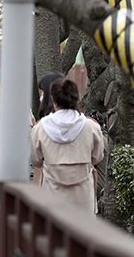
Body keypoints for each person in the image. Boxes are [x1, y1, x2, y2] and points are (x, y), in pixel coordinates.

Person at [30, 78, 105, 212]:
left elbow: (36, 160)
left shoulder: (40, 128)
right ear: (76, 98)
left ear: (53, 100)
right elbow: (97, 156)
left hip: (52, 194)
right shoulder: (91, 127)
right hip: (83, 197)